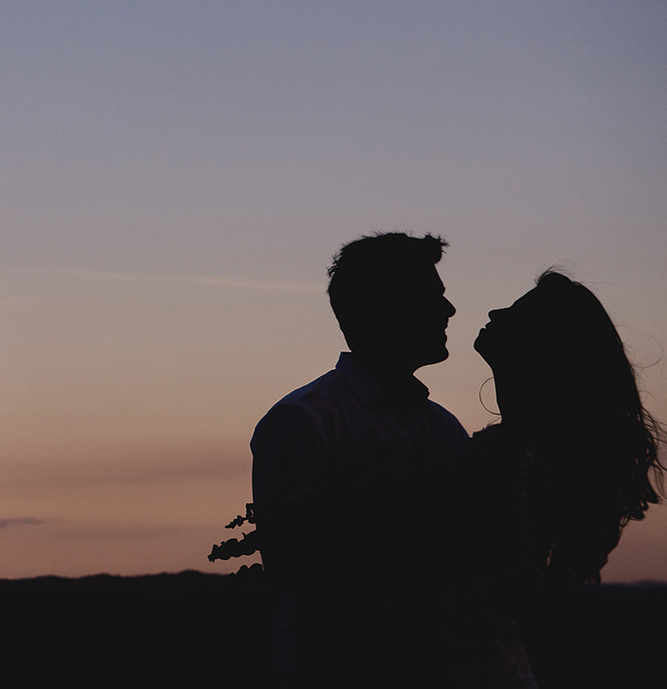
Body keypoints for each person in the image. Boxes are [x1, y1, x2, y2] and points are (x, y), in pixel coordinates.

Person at [250, 232, 469, 687]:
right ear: (385, 309)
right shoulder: (304, 419)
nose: (448, 311)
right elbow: (292, 563)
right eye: (432, 297)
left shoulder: (444, 429)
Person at [444, 270, 664, 687]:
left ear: (543, 347)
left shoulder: (512, 458)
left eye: (516, 312)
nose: (495, 311)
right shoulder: (532, 451)